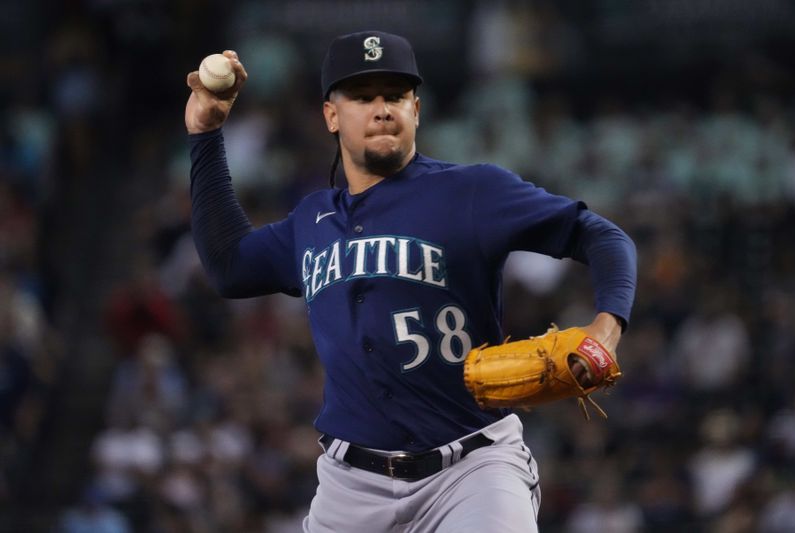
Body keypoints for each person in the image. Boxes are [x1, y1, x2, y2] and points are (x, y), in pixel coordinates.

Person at [185, 30, 636, 533]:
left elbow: (601, 236)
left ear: (416, 109)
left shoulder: (471, 191)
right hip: (349, 486)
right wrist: (205, 136)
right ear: (331, 116)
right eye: (361, 96)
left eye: (395, 95)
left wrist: (606, 328)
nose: (382, 109)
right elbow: (229, 267)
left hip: (471, 470)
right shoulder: (311, 221)